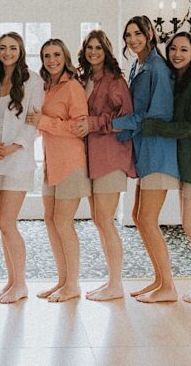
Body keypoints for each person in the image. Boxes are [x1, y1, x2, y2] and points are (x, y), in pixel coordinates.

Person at [141, 31, 191, 304]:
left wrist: (155, 127)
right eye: (173, 49)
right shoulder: (182, 82)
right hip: (189, 163)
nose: (177, 54)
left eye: (184, 50)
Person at [111, 15, 180, 303]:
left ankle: (169, 287)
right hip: (145, 152)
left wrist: (115, 124)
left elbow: (158, 114)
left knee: (147, 220)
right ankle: (159, 279)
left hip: (158, 153)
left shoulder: (157, 68)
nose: (133, 39)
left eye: (138, 33)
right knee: (139, 217)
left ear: (150, 33)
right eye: (128, 35)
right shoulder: (137, 64)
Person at [75, 29, 135, 302]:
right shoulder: (84, 78)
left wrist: (94, 123)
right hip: (90, 157)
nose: (93, 52)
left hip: (111, 156)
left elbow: (128, 119)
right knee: (99, 220)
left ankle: (116, 283)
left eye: (98, 47)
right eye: (89, 47)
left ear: (106, 50)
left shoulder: (115, 81)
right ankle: (111, 280)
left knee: (105, 221)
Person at [0, 32, 43, 304]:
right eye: (3, 48)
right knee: (2, 225)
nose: (7, 52)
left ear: (21, 51)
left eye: (13, 48)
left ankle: (21, 284)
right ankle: (11, 282)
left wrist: (13, 147)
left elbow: (34, 123)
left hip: (18, 160)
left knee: (7, 222)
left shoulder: (33, 80)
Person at [31, 38, 88, 303]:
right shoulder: (47, 88)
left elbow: (78, 127)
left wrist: (44, 121)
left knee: (64, 223)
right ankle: (62, 280)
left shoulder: (73, 87)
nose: (51, 60)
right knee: (50, 221)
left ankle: (73, 284)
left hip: (71, 164)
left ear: (65, 56)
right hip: (50, 163)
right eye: (46, 56)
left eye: (56, 54)